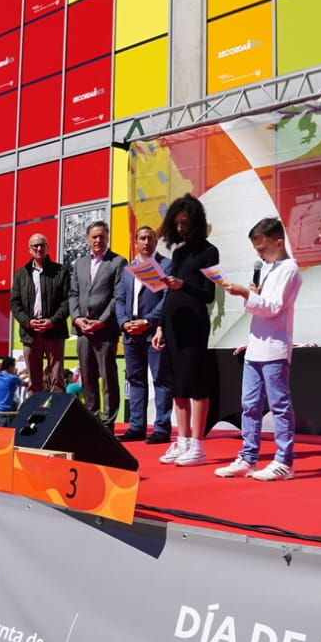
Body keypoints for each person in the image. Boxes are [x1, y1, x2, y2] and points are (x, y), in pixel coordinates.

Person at [216, 218, 304, 481]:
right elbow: (262, 305)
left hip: (275, 347)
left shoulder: (289, 269)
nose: (259, 254)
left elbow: (273, 307)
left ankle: (284, 461)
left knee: (279, 405)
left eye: (262, 249)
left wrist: (247, 294)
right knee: (250, 405)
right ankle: (248, 456)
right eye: (256, 250)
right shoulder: (270, 268)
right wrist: (251, 293)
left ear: (278, 242)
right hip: (256, 346)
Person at [152, 194, 219, 467]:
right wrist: (159, 327)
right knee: (177, 386)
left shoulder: (209, 251)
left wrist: (183, 285)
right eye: (176, 224)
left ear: (196, 222)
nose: (180, 229)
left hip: (194, 322)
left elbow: (208, 293)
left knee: (196, 384)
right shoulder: (177, 253)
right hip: (172, 324)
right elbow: (168, 294)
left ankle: (198, 445)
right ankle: (182, 441)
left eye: (184, 223)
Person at [115, 223, 173, 444]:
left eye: (150, 238)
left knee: (160, 379)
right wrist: (123, 323)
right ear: (135, 242)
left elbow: (167, 297)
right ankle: (137, 426)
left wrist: (148, 321)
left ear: (155, 242)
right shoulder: (129, 269)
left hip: (153, 332)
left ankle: (161, 428)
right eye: (142, 238)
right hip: (130, 333)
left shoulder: (165, 266)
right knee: (135, 380)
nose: (146, 242)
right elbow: (120, 299)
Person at [68, 219, 127, 426]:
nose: (98, 240)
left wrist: (101, 321)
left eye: (102, 236)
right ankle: (93, 421)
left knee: (108, 379)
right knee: (88, 378)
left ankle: (107, 423)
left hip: (105, 331)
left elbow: (118, 297)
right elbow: (73, 294)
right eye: (94, 237)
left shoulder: (118, 262)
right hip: (83, 331)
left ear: (107, 238)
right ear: (87, 239)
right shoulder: (80, 264)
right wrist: (76, 318)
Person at [8, 231, 69, 393]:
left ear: (47, 247)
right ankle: (36, 413)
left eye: (42, 245)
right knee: (34, 380)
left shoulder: (60, 271)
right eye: (35, 246)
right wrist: (28, 322)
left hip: (54, 331)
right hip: (30, 332)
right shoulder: (21, 274)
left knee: (56, 377)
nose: (39, 248)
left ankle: (57, 413)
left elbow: (67, 302)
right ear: (29, 249)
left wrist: (52, 321)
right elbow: (15, 304)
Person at [0, 357, 21, 426]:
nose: (15, 368)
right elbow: (24, 383)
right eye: (14, 366)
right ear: (10, 367)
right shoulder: (12, 378)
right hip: (4, 413)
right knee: (4, 435)